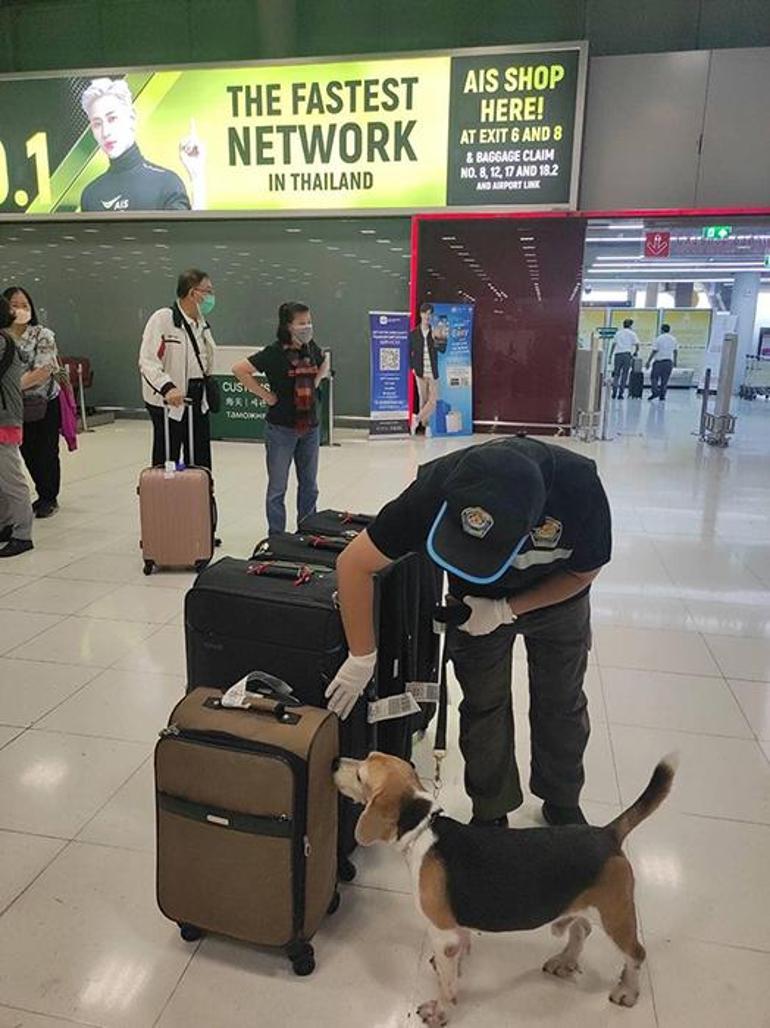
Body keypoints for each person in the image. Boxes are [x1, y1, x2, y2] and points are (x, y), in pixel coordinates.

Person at [325, 437, 612, 829]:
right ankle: (491, 810)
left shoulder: (578, 487)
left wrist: (506, 610)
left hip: (556, 600)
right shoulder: (435, 488)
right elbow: (355, 563)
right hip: (472, 603)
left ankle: (561, 798)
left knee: (560, 701)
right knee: (483, 705)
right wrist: (362, 655)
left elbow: (583, 572)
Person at [232, 302, 328, 536]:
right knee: (277, 488)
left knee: (309, 486)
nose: (307, 327)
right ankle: (276, 536)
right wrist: (266, 395)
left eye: (309, 322)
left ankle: (308, 532)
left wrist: (316, 383)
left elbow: (324, 361)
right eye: (301, 323)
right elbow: (239, 369)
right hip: (281, 429)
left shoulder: (310, 347)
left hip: (310, 427)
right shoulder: (273, 353)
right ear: (288, 326)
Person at [79, 78, 206, 212]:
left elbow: (190, 233)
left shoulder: (166, 183)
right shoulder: (90, 195)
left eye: (112, 118)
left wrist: (197, 176)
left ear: (132, 117)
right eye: (97, 124)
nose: (105, 132)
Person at [139, 269, 217, 470]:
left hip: (198, 398)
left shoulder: (201, 324)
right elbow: (147, 360)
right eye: (207, 291)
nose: (211, 296)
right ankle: (164, 498)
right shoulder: (163, 319)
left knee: (200, 458)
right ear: (192, 293)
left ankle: (200, 498)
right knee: (167, 458)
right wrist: (167, 387)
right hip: (168, 399)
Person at [2, 286, 64, 518]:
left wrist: (9, 387)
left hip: (44, 402)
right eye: (14, 305)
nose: (20, 310)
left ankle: (49, 497)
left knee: (46, 451)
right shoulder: (3, 336)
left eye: (25, 305)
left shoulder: (42, 334)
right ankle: (38, 493)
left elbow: (44, 370)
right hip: (13, 407)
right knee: (26, 450)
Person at [0, 294, 34, 557]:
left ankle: (22, 534)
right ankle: (6, 524)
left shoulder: (2, 342)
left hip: (4, 420)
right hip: (6, 417)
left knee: (11, 480)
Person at [409, 302, 445, 435]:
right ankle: (425, 427)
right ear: (420, 314)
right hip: (420, 371)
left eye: (430, 314)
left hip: (433, 371)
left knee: (433, 400)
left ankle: (417, 419)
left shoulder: (436, 331)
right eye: (425, 313)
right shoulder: (413, 334)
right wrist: (412, 368)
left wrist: (438, 337)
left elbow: (442, 349)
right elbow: (409, 352)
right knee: (423, 400)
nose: (427, 316)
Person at [647, 324, 678, 401]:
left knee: (654, 378)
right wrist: (675, 361)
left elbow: (654, 350)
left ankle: (655, 392)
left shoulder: (658, 338)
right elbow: (675, 351)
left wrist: (648, 361)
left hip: (659, 362)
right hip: (668, 362)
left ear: (661, 330)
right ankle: (662, 396)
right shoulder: (673, 339)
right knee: (665, 380)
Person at [610, 318, 639, 399]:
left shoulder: (618, 333)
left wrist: (610, 356)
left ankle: (614, 392)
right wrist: (635, 352)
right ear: (630, 325)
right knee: (624, 374)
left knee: (616, 374)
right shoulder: (632, 334)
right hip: (627, 355)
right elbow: (637, 345)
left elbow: (613, 345)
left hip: (618, 355)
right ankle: (621, 394)